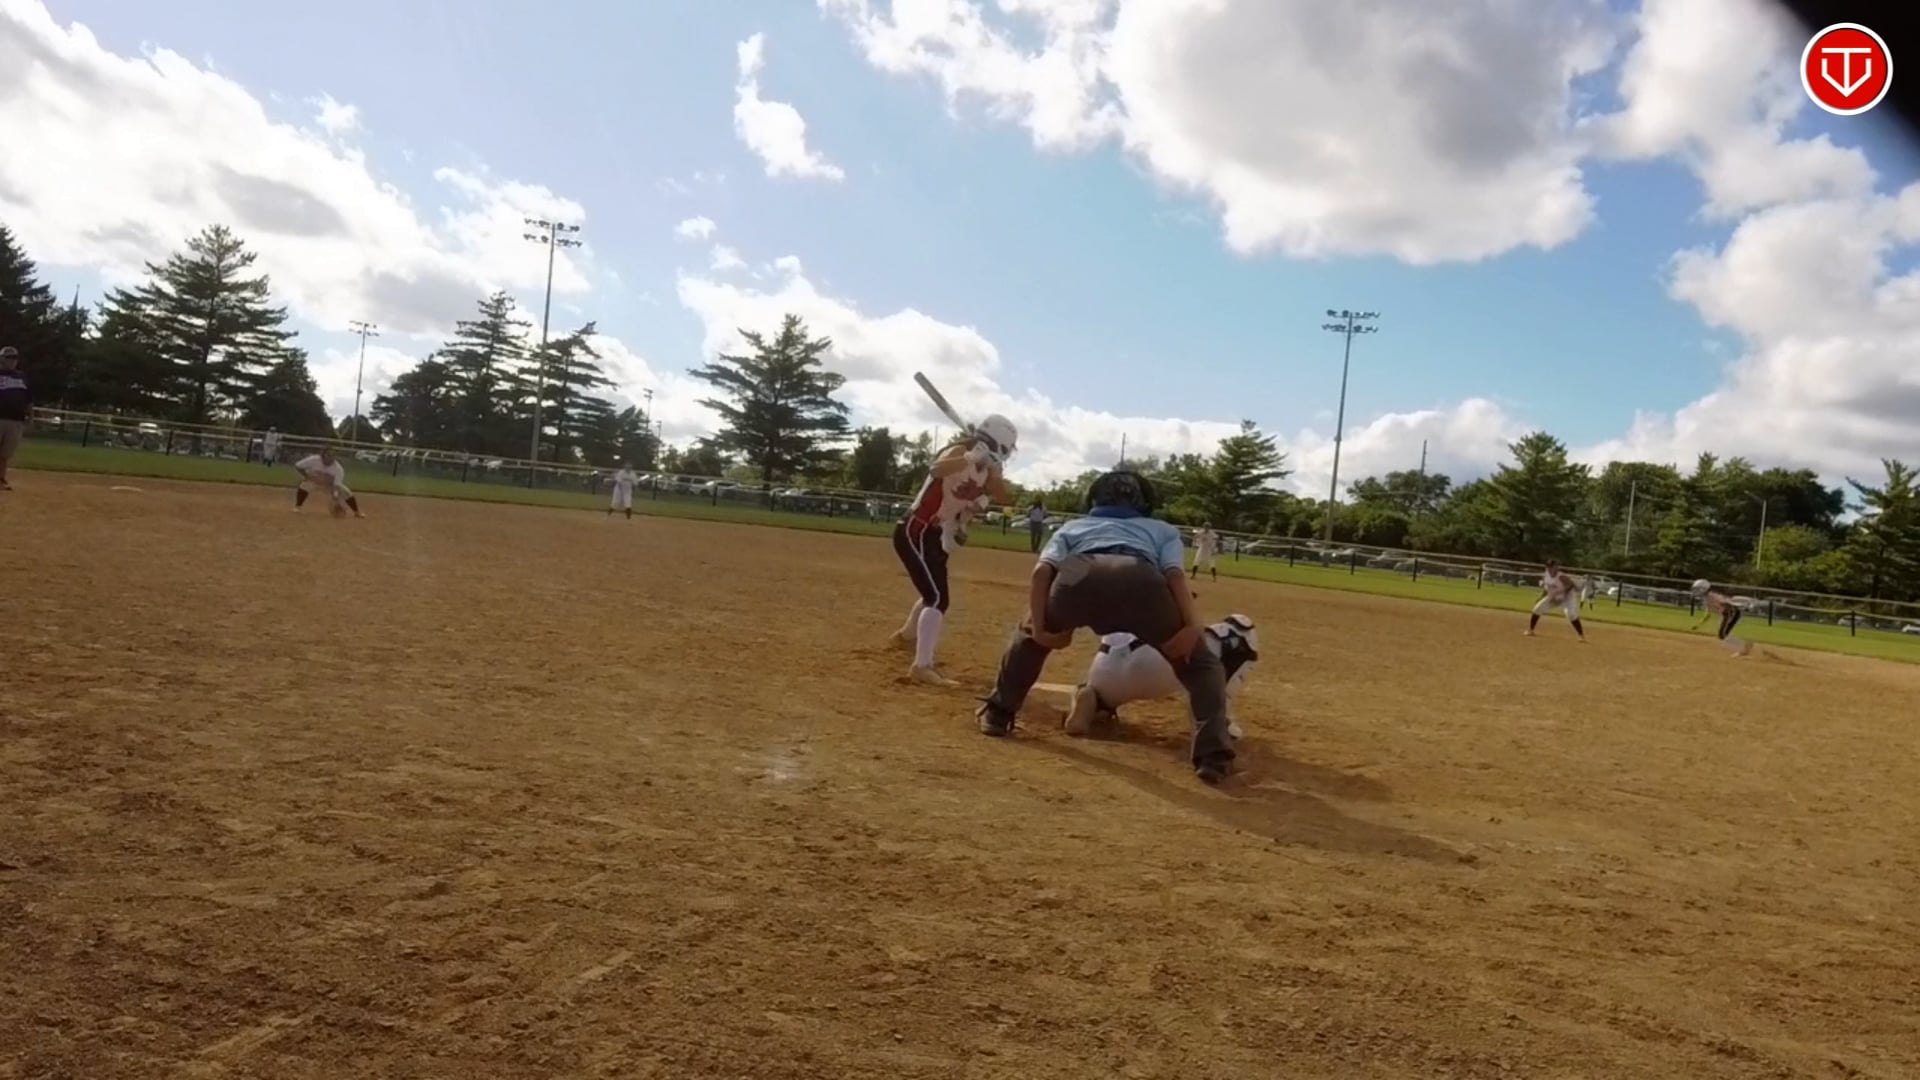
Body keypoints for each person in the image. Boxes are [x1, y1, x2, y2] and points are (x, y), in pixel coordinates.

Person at [975, 469, 1234, 785]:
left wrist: (1039, 630)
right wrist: (1193, 627)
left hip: (1079, 573)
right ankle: (1212, 757)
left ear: (1094, 499)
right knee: (1202, 666)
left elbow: (1041, 574)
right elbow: (1175, 576)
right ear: (1144, 503)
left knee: (1028, 638)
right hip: (1140, 578)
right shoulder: (1161, 529)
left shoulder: (1074, 527)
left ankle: (998, 713)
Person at [890, 415, 1016, 687]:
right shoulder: (959, 451)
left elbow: (1004, 497)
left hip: (934, 534)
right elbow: (936, 470)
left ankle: (906, 637)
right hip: (915, 528)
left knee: (934, 590)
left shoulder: (987, 471)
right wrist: (970, 457)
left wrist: (965, 519)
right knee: (937, 598)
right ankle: (921, 667)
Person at [1069, 613, 1259, 742]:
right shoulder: (1166, 569)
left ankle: (1095, 698)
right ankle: (1218, 719)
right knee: (1242, 630)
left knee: (1101, 682)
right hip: (1156, 661)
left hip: (1105, 664)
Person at [291, 448, 363, 518]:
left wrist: (335, 497)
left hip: (329, 486)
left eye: (332, 455)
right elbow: (298, 466)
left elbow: (336, 485)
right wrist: (307, 476)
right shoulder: (313, 460)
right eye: (328, 455)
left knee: (347, 492)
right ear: (322, 455)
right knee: (305, 485)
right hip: (315, 482)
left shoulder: (338, 468)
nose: (330, 457)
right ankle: (297, 507)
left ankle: (357, 512)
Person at [1525, 559, 1586, 641]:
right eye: (1554, 566)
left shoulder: (1561, 576)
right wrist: (1541, 597)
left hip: (1568, 597)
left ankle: (1581, 635)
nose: (1557, 568)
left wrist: (1563, 594)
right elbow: (1546, 588)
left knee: (1571, 614)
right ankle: (1531, 630)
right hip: (1554, 596)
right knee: (1537, 608)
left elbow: (1571, 585)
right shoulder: (1546, 576)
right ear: (1548, 568)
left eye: (1557, 566)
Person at [1691, 579, 1753, 657]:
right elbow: (1708, 614)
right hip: (1727, 614)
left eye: (1697, 589)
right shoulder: (1707, 598)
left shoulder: (1712, 596)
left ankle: (1745, 647)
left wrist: (1740, 605)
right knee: (1723, 635)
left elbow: (1727, 602)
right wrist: (1699, 625)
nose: (1695, 591)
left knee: (1722, 635)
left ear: (1703, 589)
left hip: (1730, 613)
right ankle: (1744, 648)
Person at [0, 346, 27, 492]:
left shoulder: (21, 377)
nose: (12, 360)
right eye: (9, 357)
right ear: (2, 359)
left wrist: (31, 417)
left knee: (5, 454)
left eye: (14, 358)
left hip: (16, 420)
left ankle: (1, 479)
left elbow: (28, 399)